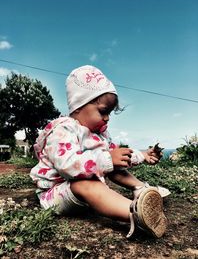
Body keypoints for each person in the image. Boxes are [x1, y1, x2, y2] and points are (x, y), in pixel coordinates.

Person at [30, 65, 168, 239]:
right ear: (79, 106)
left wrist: (142, 155)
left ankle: (140, 189)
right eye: (103, 111)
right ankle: (136, 214)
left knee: (114, 168)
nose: (107, 118)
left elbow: (116, 157)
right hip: (57, 192)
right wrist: (107, 159)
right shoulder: (63, 130)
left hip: (85, 189)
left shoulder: (99, 134)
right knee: (86, 183)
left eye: (110, 113)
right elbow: (68, 166)